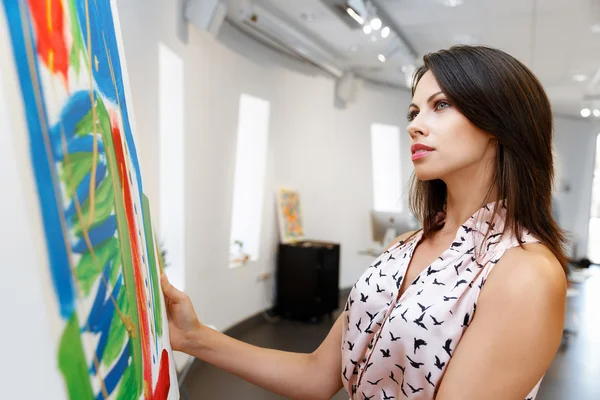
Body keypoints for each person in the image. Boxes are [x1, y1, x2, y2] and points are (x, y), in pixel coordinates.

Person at [160, 45, 567, 400]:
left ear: (500, 123)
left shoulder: (525, 272)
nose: (414, 124)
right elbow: (317, 375)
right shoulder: (402, 248)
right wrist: (194, 337)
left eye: (440, 105)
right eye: (414, 110)